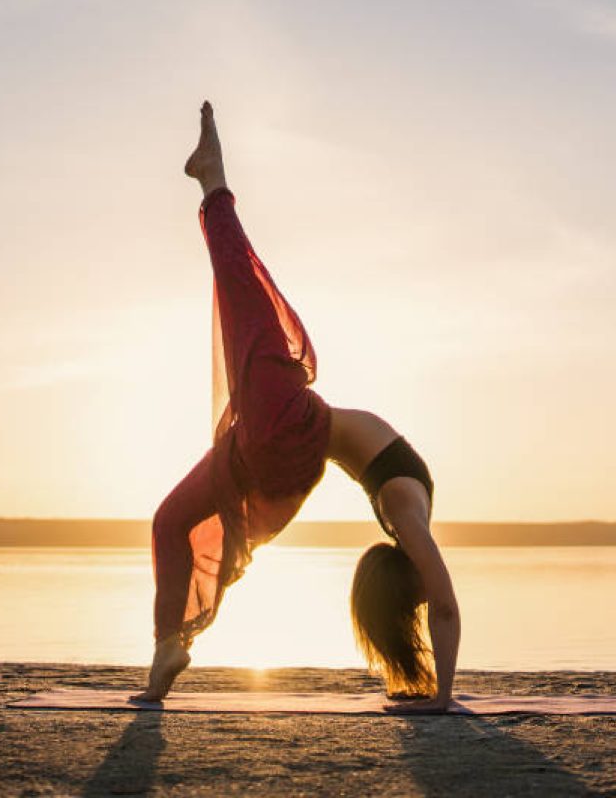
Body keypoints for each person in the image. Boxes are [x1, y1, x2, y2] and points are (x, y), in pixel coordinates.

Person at [135, 102, 460, 712]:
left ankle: (214, 177)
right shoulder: (402, 516)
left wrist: (442, 699)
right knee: (170, 520)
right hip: (284, 452)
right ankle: (164, 650)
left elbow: (445, 601)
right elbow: (432, 596)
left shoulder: (404, 510)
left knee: (247, 300)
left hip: (296, 429)